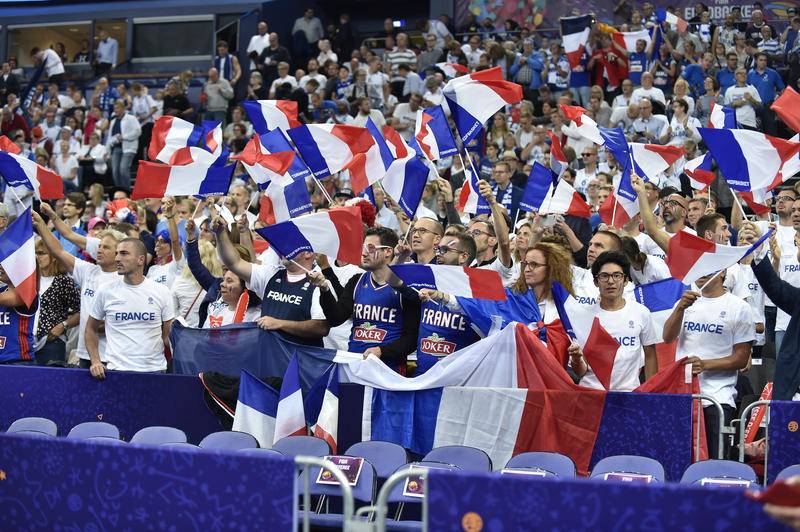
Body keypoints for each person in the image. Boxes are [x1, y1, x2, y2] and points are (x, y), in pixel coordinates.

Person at [663, 269, 754, 458]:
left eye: (709, 268)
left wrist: (705, 365)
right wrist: (680, 309)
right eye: (700, 267)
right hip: (684, 396)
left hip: (718, 398)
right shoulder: (685, 302)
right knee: (680, 459)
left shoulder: (739, 307)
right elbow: (667, 337)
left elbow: (741, 358)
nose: (702, 272)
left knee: (714, 461)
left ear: (723, 273)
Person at [311, 226, 420, 373]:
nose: (364, 253)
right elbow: (336, 318)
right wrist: (324, 290)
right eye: (363, 247)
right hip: (355, 367)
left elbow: (412, 339)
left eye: (370, 248)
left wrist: (382, 351)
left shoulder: (405, 288)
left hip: (388, 370)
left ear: (388, 251)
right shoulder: (357, 281)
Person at [213, 212, 330, 347]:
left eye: (291, 245)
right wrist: (220, 233)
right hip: (268, 356)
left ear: (308, 253)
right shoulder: (272, 274)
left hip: (298, 358)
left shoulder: (319, 282)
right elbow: (234, 263)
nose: (283, 248)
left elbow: (321, 327)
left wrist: (280, 324)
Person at [86, 238, 175, 379]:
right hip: (116, 371)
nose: (117, 258)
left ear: (140, 260)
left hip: (155, 371)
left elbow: (168, 337)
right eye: (116, 253)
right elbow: (90, 329)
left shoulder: (162, 291)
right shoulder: (105, 291)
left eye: (124, 253)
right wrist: (95, 361)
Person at [572, 251, 658, 391]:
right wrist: (576, 359)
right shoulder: (584, 316)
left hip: (628, 394)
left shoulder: (641, 313)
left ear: (625, 280)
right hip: (592, 394)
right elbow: (581, 371)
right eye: (604, 276)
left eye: (617, 275)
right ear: (596, 282)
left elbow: (650, 356)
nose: (611, 281)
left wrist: (651, 394)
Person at [31, 237, 80, 365]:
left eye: (41, 253)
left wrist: (63, 325)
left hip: (52, 342)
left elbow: (81, 311)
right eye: (35, 253)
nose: (37, 257)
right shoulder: (28, 280)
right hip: (26, 342)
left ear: (53, 256)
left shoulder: (64, 281)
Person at [147, 197, 185, 288]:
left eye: (162, 241)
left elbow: (175, 240)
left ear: (170, 245)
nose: (157, 245)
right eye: (156, 241)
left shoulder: (176, 264)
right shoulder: (152, 269)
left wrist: (170, 216)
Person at [106, 100, 141, 191]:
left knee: (123, 169)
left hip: (129, 148)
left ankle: (127, 191)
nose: (115, 110)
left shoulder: (131, 118)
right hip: (116, 148)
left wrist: (124, 137)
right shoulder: (113, 121)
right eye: (114, 108)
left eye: (117, 108)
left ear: (123, 108)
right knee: (115, 171)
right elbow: (110, 137)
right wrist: (107, 151)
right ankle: (119, 191)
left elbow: (138, 131)